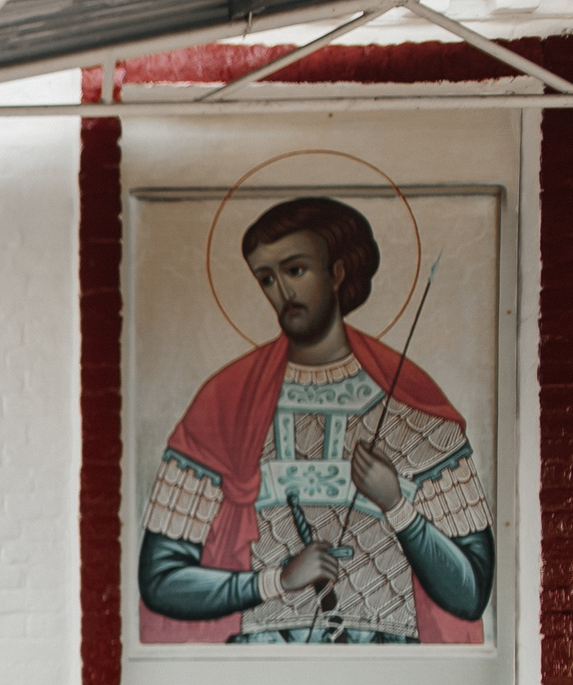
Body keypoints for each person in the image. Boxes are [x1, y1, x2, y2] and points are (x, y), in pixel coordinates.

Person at [138, 195, 493, 644]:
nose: (282, 293)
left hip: (390, 666)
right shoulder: (226, 404)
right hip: (261, 665)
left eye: (295, 270)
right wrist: (277, 580)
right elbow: (160, 579)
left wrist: (397, 505)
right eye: (266, 278)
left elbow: (471, 592)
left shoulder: (412, 407)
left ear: (338, 272)